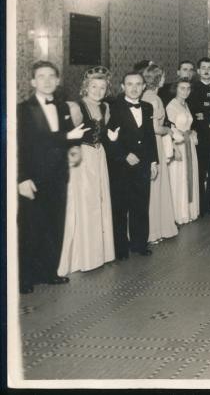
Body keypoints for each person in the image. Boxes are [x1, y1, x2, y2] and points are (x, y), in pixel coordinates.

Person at [17, 61, 88, 293]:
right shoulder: (23, 109)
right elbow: (20, 146)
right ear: (33, 81)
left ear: (58, 80)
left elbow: (70, 137)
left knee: (54, 226)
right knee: (30, 228)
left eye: (51, 76)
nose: (47, 81)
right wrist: (21, 178)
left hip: (58, 176)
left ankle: (49, 272)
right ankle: (24, 278)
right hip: (33, 178)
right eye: (41, 76)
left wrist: (74, 148)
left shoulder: (63, 107)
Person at [58, 67, 116, 276]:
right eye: (94, 87)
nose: (98, 91)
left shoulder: (106, 107)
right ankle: (82, 257)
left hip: (99, 157)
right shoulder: (76, 106)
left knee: (99, 202)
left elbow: (103, 133)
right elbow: (65, 135)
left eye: (102, 88)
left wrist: (110, 138)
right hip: (82, 158)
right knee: (84, 204)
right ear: (86, 87)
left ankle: (98, 254)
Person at [107, 71, 160, 258]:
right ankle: (120, 248)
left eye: (138, 84)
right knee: (120, 208)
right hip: (120, 166)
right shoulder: (112, 107)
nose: (134, 88)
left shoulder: (147, 107)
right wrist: (123, 155)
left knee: (141, 206)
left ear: (144, 87)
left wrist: (153, 161)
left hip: (143, 164)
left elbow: (150, 136)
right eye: (130, 84)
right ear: (122, 86)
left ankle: (139, 244)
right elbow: (108, 137)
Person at [141, 64, 179, 245]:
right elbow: (155, 128)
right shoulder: (154, 98)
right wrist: (169, 131)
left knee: (153, 185)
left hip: (150, 142)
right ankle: (154, 230)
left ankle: (153, 229)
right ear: (158, 78)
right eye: (162, 76)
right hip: (154, 142)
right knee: (156, 185)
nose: (164, 79)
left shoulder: (145, 96)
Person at [188, 57, 210, 217]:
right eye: (203, 68)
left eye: (209, 68)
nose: (206, 71)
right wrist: (207, 118)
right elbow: (193, 113)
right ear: (198, 70)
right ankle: (200, 207)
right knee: (200, 172)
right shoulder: (192, 89)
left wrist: (205, 116)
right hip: (199, 136)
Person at [166, 78, 200, 225]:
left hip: (188, 143)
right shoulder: (171, 106)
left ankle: (188, 211)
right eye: (182, 88)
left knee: (188, 176)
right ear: (176, 89)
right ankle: (178, 213)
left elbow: (187, 125)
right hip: (179, 144)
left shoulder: (185, 104)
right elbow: (171, 128)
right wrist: (175, 146)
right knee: (179, 177)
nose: (185, 91)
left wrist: (192, 133)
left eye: (188, 88)